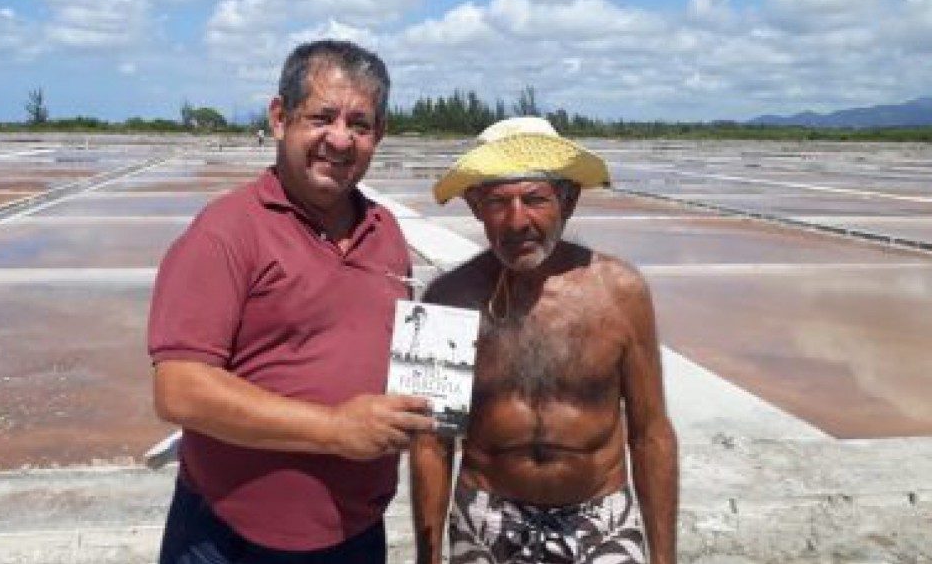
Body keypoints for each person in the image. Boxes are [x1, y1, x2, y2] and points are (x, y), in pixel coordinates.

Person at [149, 39, 436, 564]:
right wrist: (335, 430)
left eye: (360, 124)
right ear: (280, 118)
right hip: (229, 536)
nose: (341, 139)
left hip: (356, 532)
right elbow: (179, 390)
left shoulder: (386, 230)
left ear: (380, 135)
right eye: (322, 117)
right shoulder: (227, 232)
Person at [409, 117, 678, 564]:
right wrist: (428, 558)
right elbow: (431, 444)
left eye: (535, 199)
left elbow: (651, 434)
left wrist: (664, 557)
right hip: (486, 517)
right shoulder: (445, 300)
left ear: (567, 200)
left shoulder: (621, 293)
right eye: (498, 202)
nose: (517, 221)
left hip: (600, 519)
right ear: (476, 206)